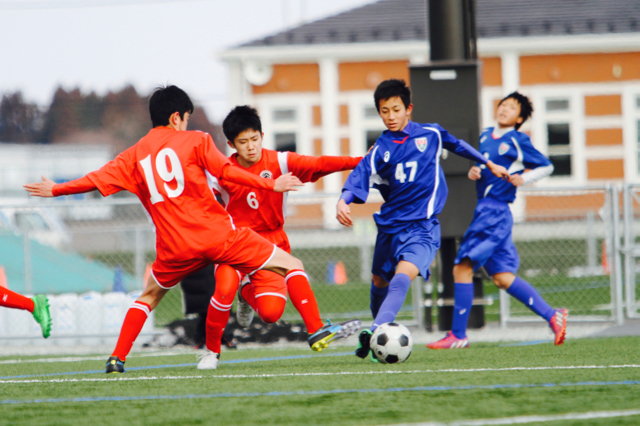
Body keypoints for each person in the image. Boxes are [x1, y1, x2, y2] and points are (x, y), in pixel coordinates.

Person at [24, 85, 327, 372]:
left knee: (149, 296)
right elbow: (226, 171)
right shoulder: (197, 140)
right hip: (217, 236)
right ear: (176, 117)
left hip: (174, 248)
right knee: (291, 264)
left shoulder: (133, 155)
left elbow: (95, 178)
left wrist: (58, 189)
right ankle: (315, 331)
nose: (186, 123)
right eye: (186, 118)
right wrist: (269, 183)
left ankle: (117, 357)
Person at [336, 79, 509, 361]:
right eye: (384, 111)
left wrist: (488, 163)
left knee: (402, 277)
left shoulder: (431, 134)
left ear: (408, 109)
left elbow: (458, 145)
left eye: (395, 109)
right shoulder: (380, 149)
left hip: (422, 229)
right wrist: (343, 201)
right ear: (379, 113)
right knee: (379, 282)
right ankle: (376, 331)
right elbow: (358, 177)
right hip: (390, 228)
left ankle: (377, 329)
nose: (391, 116)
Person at [205, 105, 362, 360]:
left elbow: (320, 163)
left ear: (262, 136)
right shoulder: (222, 173)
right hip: (236, 244)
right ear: (231, 144)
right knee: (223, 287)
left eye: (254, 139)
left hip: (271, 242)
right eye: (243, 142)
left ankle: (246, 294)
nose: (251, 146)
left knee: (270, 314)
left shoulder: (280, 161)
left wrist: (361, 161)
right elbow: (204, 207)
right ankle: (211, 353)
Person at [427, 92, 567, 350]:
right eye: (503, 104)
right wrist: (475, 171)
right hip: (488, 211)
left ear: (520, 118)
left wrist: (524, 179)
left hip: (494, 212)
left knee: (462, 267)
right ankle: (552, 315)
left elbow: (546, 166)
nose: (504, 109)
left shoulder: (517, 139)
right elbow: (482, 166)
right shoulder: (484, 136)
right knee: (502, 278)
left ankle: (458, 335)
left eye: (511, 107)